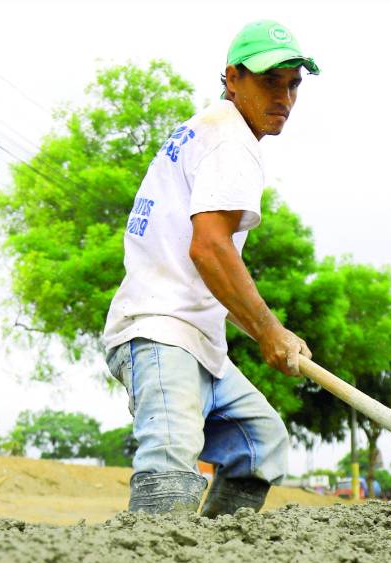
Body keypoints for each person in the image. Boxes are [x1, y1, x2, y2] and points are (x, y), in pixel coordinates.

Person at [103, 20, 320, 516]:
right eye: (270, 81)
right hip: (161, 330)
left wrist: (264, 330)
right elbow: (210, 248)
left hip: (197, 337)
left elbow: (206, 254)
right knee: (171, 470)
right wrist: (270, 330)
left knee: (259, 446)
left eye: (293, 85)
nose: (284, 97)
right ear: (232, 77)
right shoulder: (230, 140)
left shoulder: (210, 128)